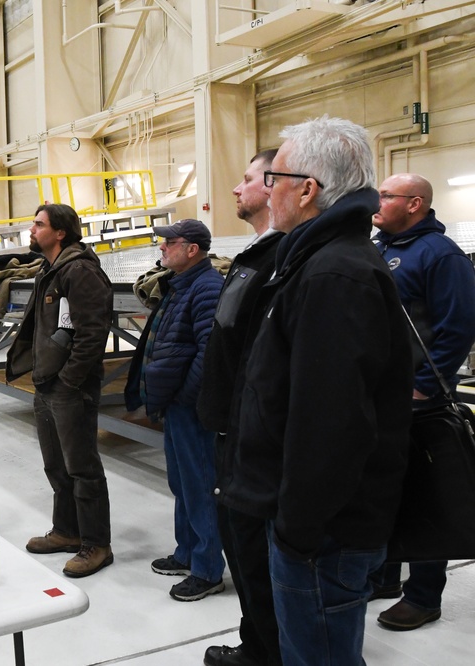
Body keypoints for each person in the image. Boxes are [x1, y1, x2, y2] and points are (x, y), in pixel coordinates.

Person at [221, 116, 413, 665]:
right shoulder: (314, 263)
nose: (265, 189)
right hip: (311, 525)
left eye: (274, 176)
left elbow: (331, 422)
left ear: (307, 190)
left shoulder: (334, 275)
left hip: (320, 535)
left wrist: (297, 532)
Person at [368, 173, 475, 631]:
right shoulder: (379, 247)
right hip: (381, 397)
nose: (378, 200)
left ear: (414, 204)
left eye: (387, 195)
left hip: (419, 400)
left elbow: (459, 326)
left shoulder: (440, 255)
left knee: (424, 495)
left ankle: (424, 594)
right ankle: (386, 575)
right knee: (385, 490)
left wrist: (426, 386)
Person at [197, 150, 283, 666]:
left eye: (247, 179)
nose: (236, 188)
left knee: (261, 559)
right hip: (233, 434)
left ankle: (268, 653)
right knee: (246, 555)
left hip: (254, 440)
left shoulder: (282, 261)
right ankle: (257, 646)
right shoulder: (257, 256)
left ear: (281, 186)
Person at [6, 203, 115, 578]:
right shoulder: (51, 270)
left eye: (39, 224)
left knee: (83, 468)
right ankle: (67, 532)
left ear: (60, 233)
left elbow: (92, 334)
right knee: (57, 466)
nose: (31, 229)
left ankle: (96, 544)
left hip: (70, 387)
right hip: (47, 384)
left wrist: (69, 380)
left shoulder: (80, 271)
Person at [124, 219, 225, 601]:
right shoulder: (181, 284)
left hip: (189, 407)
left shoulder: (207, 287)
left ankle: (207, 569)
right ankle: (186, 551)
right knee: (181, 483)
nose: (162, 248)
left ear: (193, 249)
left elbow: (210, 351)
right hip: (175, 404)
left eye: (169, 243)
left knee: (199, 485)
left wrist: (184, 393)